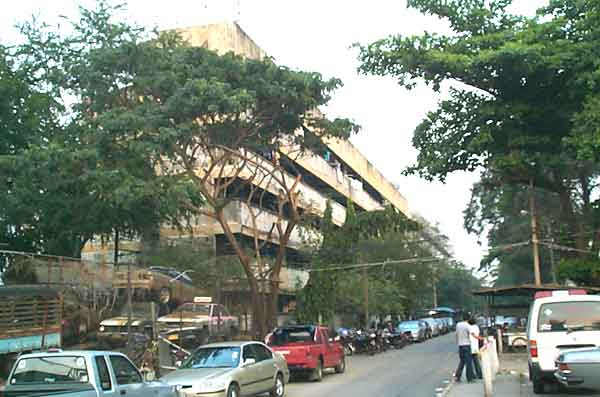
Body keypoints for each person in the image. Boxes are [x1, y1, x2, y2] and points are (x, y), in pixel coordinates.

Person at [454, 313, 475, 383]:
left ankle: (457, 376)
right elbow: (473, 335)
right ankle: (470, 378)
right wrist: (481, 338)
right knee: (468, 362)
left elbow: (456, 335)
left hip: (460, 346)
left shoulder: (458, 325)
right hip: (467, 345)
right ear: (468, 319)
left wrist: (457, 344)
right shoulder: (468, 325)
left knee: (462, 362)